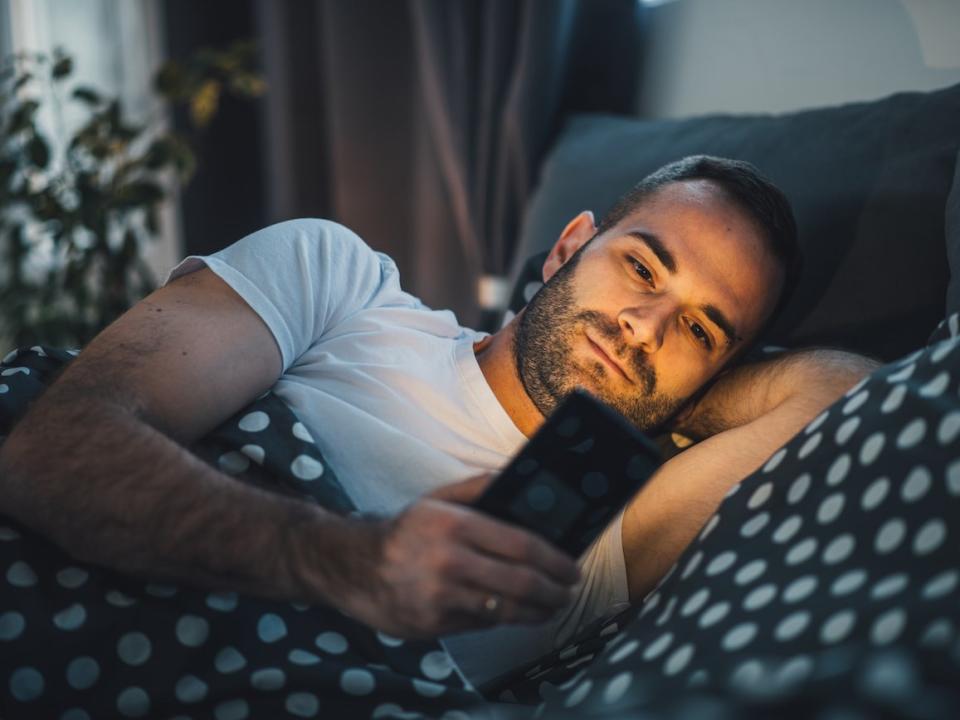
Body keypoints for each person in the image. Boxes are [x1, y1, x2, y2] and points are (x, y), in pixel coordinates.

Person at [0, 155, 876, 685]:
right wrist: (347, 560)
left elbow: (847, 395)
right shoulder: (343, 284)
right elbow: (55, 448)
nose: (643, 330)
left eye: (699, 326)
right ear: (569, 247)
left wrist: (681, 382)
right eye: (644, 268)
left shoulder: (606, 540)